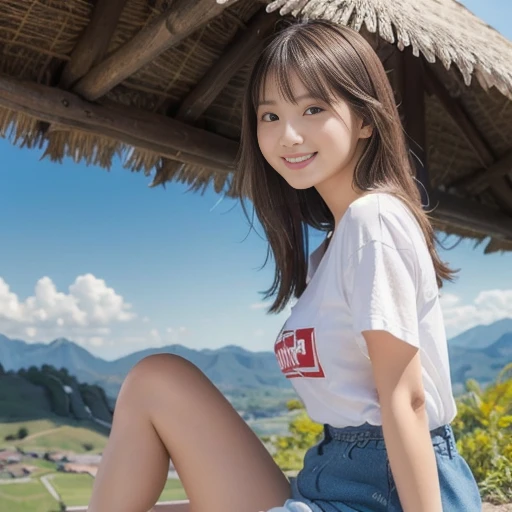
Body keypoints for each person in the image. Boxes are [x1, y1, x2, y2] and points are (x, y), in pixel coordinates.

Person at [86, 18, 482, 512]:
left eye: (313, 108)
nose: (288, 135)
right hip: (332, 471)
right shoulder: (331, 250)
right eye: (269, 116)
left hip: (390, 490)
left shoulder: (373, 219)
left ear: (364, 119)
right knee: (157, 378)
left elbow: (407, 401)